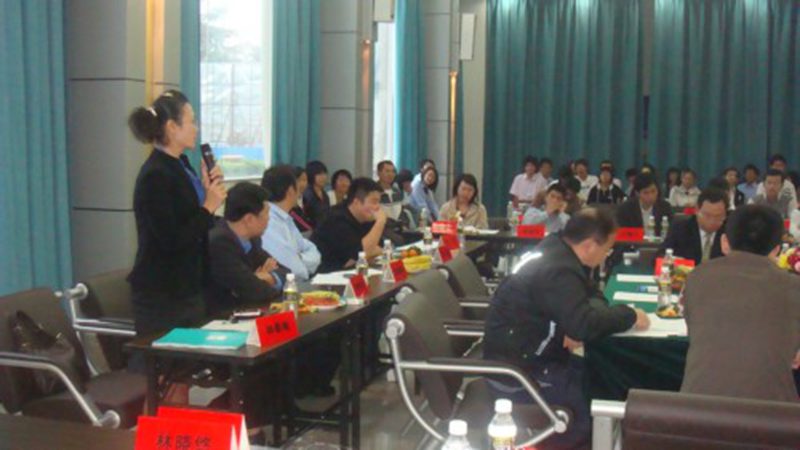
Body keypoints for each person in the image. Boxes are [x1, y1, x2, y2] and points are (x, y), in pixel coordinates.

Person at [484, 208, 650, 449]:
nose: (607, 255)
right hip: (520, 374)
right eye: (607, 249)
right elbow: (583, 325)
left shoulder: (558, 250)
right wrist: (629, 315)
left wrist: (577, 322)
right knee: (590, 408)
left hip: (532, 355)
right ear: (589, 245)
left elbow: (591, 297)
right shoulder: (558, 269)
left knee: (603, 376)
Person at [127, 90, 226, 402]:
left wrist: (208, 195)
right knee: (166, 381)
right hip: (163, 294)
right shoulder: (155, 175)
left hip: (187, 287)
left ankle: (174, 426)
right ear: (171, 127)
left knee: (181, 377)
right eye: (191, 121)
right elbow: (171, 239)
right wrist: (208, 207)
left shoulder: (180, 164)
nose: (196, 128)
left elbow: (195, 223)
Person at [681, 205, 800, 403]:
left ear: (724, 243)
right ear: (777, 250)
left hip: (695, 410)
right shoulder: (793, 286)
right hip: (773, 414)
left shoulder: (697, 277)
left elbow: (697, 332)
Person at [206, 183, 286, 316]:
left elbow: (286, 273)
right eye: (266, 213)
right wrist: (256, 281)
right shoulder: (219, 243)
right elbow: (255, 291)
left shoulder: (252, 239)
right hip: (221, 318)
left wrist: (269, 277)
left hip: (247, 310)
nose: (269, 219)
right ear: (249, 219)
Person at [311, 178, 387, 273]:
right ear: (357, 202)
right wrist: (380, 222)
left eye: (379, 202)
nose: (378, 207)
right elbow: (361, 254)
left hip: (350, 271)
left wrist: (368, 250)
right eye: (374, 202)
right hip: (326, 275)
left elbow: (381, 247)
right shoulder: (336, 219)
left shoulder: (367, 218)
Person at [261, 165, 321, 281]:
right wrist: (299, 259)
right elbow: (294, 271)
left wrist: (299, 258)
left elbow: (312, 250)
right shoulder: (269, 222)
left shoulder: (285, 218)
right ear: (291, 191)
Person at [658, 188, 727, 266]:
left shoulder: (730, 232)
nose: (712, 221)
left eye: (718, 216)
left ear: (725, 214)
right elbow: (660, 256)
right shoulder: (680, 228)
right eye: (707, 215)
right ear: (697, 210)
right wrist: (675, 262)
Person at [302, 160, 330, 228]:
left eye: (324, 173)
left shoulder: (325, 194)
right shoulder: (307, 194)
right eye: (319, 174)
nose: (323, 177)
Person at [290, 166, 314, 233]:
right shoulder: (287, 203)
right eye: (298, 180)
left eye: (304, 180)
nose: (302, 184)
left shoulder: (306, 200)